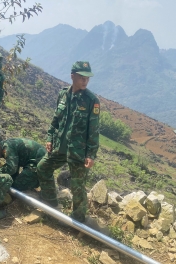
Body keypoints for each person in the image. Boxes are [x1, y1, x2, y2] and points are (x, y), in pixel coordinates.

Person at [36, 61, 100, 223]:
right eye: (81, 77)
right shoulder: (63, 95)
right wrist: (50, 138)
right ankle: (51, 204)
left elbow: (93, 130)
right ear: (72, 76)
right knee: (43, 167)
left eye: (87, 78)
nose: (85, 81)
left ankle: (78, 223)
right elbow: (56, 120)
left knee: (78, 188)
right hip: (60, 148)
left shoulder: (91, 100)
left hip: (78, 152)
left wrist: (91, 154)